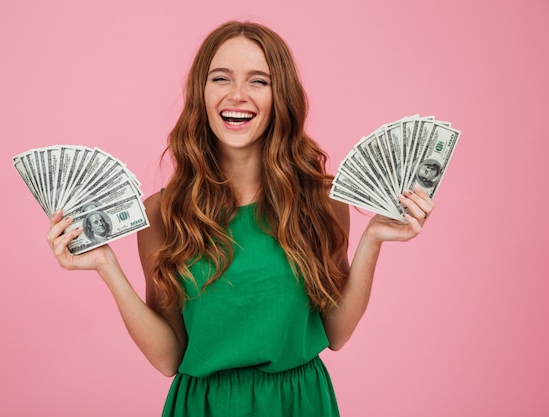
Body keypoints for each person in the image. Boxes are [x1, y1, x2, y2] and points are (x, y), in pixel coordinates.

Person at [47, 21, 435, 417]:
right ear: (201, 92)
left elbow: (335, 333)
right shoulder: (161, 214)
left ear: (279, 96)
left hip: (299, 405)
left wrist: (373, 240)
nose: (237, 95)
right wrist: (106, 265)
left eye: (258, 81)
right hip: (204, 408)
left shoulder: (322, 200)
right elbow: (168, 358)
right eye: (221, 78)